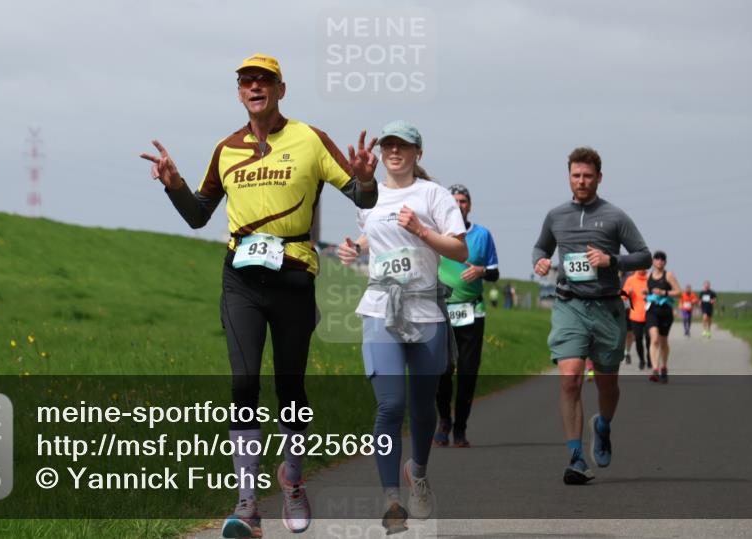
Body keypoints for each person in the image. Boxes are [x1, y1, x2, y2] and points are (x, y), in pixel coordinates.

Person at [141, 53, 379, 538]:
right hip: (241, 281)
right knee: (243, 382)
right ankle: (248, 503)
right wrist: (175, 185)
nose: (255, 87)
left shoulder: (310, 139)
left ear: (280, 90)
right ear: (239, 93)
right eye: (246, 82)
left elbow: (362, 197)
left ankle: (292, 479)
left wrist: (367, 178)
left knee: (290, 388)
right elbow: (197, 214)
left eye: (264, 81)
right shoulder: (226, 149)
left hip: (294, 278)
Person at [337, 121, 467, 534]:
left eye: (403, 145)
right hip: (380, 308)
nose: (394, 151)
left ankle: (420, 472)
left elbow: (459, 250)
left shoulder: (434, 195)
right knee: (391, 405)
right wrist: (353, 247)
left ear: (417, 153)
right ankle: (391, 499)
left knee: (423, 408)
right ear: (380, 151)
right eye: (388, 144)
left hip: (425, 310)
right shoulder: (368, 196)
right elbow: (372, 236)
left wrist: (421, 231)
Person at [532, 147, 651, 485]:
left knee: (607, 384)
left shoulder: (615, 217)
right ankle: (575, 457)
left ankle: (602, 424)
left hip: (607, 307)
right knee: (569, 377)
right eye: (575, 175)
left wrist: (611, 261)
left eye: (587, 176)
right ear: (569, 177)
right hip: (570, 304)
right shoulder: (556, 216)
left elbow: (642, 255)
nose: (581, 181)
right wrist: (539, 261)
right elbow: (541, 247)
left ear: (599, 178)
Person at [433, 184, 500, 448]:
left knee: (468, 373)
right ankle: (444, 421)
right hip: (441, 311)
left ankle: (460, 428)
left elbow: (494, 273)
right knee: (442, 371)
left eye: (463, 201)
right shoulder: (437, 234)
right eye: (454, 201)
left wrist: (481, 271)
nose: (459, 205)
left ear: (469, 205)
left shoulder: (482, 235)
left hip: (473, 312)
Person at [645, 251, 683, 383]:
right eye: (657, 258)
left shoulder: (669, 275)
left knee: (663, 341)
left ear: (665, 262)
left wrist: (664, 292)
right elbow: (646, 291)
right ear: (653, 261)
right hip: (652, 311)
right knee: (654, 339)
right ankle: (655, 369)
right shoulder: (648, 276)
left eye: (662, 259)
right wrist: (645, 293)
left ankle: (664, 367)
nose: (659, 261)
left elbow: (679, 292)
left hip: (665, 311)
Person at [622, 270, 650, 369]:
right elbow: (623, 296)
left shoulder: (650, 278)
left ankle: (649, 357)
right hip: (635, 315)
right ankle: (642, 360)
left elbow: (656, 293)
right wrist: (628, 292)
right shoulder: (630, 279)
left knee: (649, 339)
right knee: (638, 339)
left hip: (649, 314)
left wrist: (649, 293)